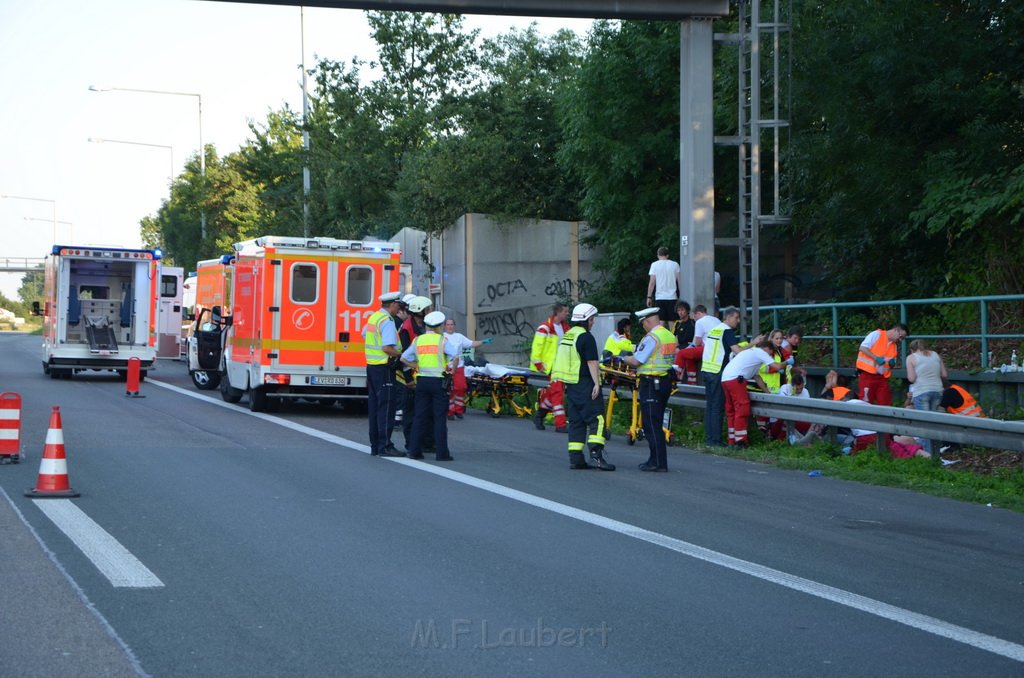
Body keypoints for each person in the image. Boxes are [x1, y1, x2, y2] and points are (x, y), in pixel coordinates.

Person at [550, 303, 614, 470]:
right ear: (587, 319)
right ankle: (596, 456)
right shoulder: (586, 337)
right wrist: (596, 384)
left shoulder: (568, 335)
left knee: (576, 421)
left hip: (571, 386)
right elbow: (592, 362)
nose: (593, 323)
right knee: (597, 419)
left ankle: (576, 458)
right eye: (592, 319)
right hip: (586, 383)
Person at [623, 307, 678, 471]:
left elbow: (637, 361)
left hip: (651, 383)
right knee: (656, 421)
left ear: (647, 321)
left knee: (651, 424)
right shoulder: (669, 335)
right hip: (665, 381)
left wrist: (623, 358)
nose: (643, 328)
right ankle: (656, 459)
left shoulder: (652, 337)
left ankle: (657, 462)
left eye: (643, 324)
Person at [401, 311, 459, 461]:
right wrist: (452, 372)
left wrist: (415, 365)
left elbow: (403, 358)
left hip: (422, 381)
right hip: (439, 382)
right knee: (439, 417)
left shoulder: (418, 340)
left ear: (426, 325)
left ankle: (414, 451)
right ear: (439, 326)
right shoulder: (442, 340)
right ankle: (442, 454)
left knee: (419, 416)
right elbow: (456, 356)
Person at [363, 292, 405, 457]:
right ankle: (385, 445)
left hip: (372, 367)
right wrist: (401, 357)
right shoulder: (387, 321)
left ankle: (375, 445)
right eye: (398, 305)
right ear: (392, 304)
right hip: (384, 368)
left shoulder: (374, 318)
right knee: (386, 407)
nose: (398, 309)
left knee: (374, 408)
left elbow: (364, 335)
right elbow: (387, 347)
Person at [720, 336, 783, 446]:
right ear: (767, 348)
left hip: (726, 379)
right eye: (770, 353)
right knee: (742, 409)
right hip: (736, 380)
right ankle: (740, 441)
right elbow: (777, 367)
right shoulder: (760, 352)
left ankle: (732, 439)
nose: (769, 356)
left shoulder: (751, 354)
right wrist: (788, 362)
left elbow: (757, 377)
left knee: (731, 411)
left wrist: (767, 392)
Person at [700, 306, 745, 446]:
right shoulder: (727, 331)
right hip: (717, 372)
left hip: (706, 370)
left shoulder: (715, 329)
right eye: (736, 318)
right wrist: (753, 344)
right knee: (717, 408)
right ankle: (716, 441)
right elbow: (737, 351)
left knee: (710, 407)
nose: (738, 321)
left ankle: (709, 438)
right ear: (728, 317)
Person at [398, 296, 432, 453]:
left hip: (426, 375)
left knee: (426, 411)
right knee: (410, 412)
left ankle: (427, 442)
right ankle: (411, 444)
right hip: (410, 376)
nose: (430, 311)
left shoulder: (427, 326)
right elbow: (404, 356)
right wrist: (408, 379)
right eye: (427, 309)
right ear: (420, 312)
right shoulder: (407, 329)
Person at [531, 303, 570, 432]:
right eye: (565, 311)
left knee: (553, 392)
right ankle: (560, 424)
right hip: (551, 366)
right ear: (558, 312)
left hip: (561, 365)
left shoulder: (565, 328)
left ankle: (540, 415)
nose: (567, 314)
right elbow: (537, 347)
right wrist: (538, 364)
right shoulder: (545, 328)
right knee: (558, 393)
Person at [905, 339, 948, 455]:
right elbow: (944, 374)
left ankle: (928, 455)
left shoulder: (911, 358)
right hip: (937, 390)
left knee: (923, 424)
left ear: (911, 349)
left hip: (922, 391)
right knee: (933, 422)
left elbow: (911, 378)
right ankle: (936, 451)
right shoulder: (935, 355)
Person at [443, 318, 491, 419]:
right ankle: (450, 412)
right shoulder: (442, 337)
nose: (450, 326)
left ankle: (458, 410)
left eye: (451, 324)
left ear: (454, 326)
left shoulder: (459, 337)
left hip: (459, 366)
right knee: (450, 389)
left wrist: (483, 342)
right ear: (444, 326)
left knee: (461, 387)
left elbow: (471, 343)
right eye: (448, 324)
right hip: (447, 367)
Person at [855, 322, 908, 406]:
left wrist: (892, 363)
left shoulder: (893, 346)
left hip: (882, 378)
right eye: (901, 337)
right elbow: (863, 348)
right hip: (867, 375)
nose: (900, 340)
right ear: (896, 330)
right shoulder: (876, 334)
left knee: (885, 403)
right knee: (866, 402)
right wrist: (876, 358)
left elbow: (891, 363)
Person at [770, 371, 811, 441]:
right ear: (792, 385)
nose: (800, 391)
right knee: (786, 419)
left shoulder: (805, 391)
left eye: (801, 388)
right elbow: (783, 404)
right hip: (780, 418)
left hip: (798, 418)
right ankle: (779, 441)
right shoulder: (785, 388)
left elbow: (806, 409)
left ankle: (781, 441)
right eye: (797, 389)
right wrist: (793, 393)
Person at [647, 246, 681, 324]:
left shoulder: (654, 265)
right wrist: (680, 295)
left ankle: (661, 336)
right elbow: (679, 281)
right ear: (667, 255)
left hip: (660, 297)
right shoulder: (675, 264)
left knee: (661, 321)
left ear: (658, 255)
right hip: (672, 297)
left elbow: (652, 282)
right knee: (672, 321)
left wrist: (649, 297)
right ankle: (672, 336)